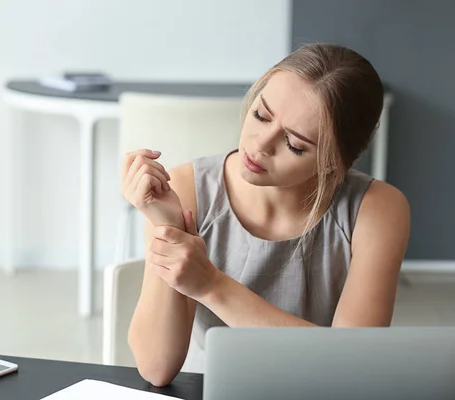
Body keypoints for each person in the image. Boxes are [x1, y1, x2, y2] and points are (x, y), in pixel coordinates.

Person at [121, 44, 410, 387]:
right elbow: (156, 368)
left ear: (334, 162)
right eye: (261, 115)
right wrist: (168, 227)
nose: (260, 145)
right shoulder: (185, 189)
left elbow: (352, 367)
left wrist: (212, 285)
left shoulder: (376, 209)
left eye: (295, 145)